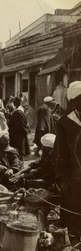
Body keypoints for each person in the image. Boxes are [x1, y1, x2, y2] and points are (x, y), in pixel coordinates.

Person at [54, 81, 81, 235]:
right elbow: (60, 153)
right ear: (73, 101)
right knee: (72, 210)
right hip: (72, 176)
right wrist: (61, 178)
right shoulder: (65, 123)